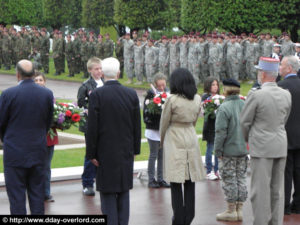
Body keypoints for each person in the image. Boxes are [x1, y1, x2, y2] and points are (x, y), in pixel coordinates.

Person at [86, 57, 141, 225]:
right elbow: (137, 127)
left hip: (105, 151)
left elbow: (92, 128)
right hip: (125, 149)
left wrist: (91, 153)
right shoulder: (131, 94)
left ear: (102, 72)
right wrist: (135, 150)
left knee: (108, 194)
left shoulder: (97, 94)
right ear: (118, 73)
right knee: (123, 191)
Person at [240, 57, 292, 225]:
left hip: (261, 147)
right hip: (280, 144)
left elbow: (245, 122)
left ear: (262, 74)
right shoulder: (286, 94)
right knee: (277, 190)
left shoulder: (256, 95)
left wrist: (250, 139)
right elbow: (284, 119)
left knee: (260, 192)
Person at [0, 60, 54, 214]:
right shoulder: (46, 94)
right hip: (38, 150)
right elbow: (47, 122)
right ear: (33, 74)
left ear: (18, 74)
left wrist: (7, 139)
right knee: (37, 196)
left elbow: (1, 122)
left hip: (14, 152)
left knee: (17, 197)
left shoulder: (8, 94)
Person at [160, 68, 205, 225]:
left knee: (175, 180)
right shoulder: (197, 98)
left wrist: (161, 140)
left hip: (174, 135)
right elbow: (194, 120)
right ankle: (189, 216)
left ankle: (178, 217)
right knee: (190, 179)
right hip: (190, 134)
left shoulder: (171, 99)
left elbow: (164, 122)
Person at [213, 78, 248, 222]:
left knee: (229, 180)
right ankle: (240, 210)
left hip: (228, 150)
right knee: (241, 178)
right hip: (242, 149)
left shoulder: (224, 107)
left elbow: (220, 132)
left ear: (226, 90)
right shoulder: (244, 104)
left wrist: (218, 151)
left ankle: (231, 210)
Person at [77, 57, 104, 196]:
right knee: (91, 154)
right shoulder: (85, 86)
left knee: (103, 153)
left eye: (100, 68)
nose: (99, 71)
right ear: (90, 70)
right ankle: (87, 183)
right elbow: (81, 105)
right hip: (91, 126)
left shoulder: (105, 83)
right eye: (96, 69)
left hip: (105, 125)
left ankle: (101, 180)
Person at [277, 56, 300, 215]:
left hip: (285, 135)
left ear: (290, 68)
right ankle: (298, 204)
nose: (280, 67)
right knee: (299, 172)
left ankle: (284, 206)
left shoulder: (280, 87)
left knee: (285, 173)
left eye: (282, 65)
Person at [34, 72, 57, 203]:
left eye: (40, 80)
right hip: (33, 138)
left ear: (45, 81)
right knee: (34, 166)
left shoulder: (50, 95)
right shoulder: (29, 96)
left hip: (48, 137)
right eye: (35, 80)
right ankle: (34, 192)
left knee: (46, 166)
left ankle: (46, 193)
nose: (38, 82)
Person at [143, 73, 170, 188]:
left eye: (163, 85)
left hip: (163, 129)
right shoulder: (150, 95)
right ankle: (151, 179)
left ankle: (160, 178)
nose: (162, 88)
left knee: (161, 155)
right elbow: (146, 112)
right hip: (153, 129)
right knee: (153, 154)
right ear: (155, 84)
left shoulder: (167, 93)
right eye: (159, 86)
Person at [202, 77, 220, 180]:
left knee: (217, 148)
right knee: (210, 147)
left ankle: (217, 170)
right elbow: (204, 111)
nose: (215, 87)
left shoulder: (219, 97)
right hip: (209, 125)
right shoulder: (206, 97)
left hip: (218, 125)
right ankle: (209, 171)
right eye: (213, 85)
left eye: (216, 85)